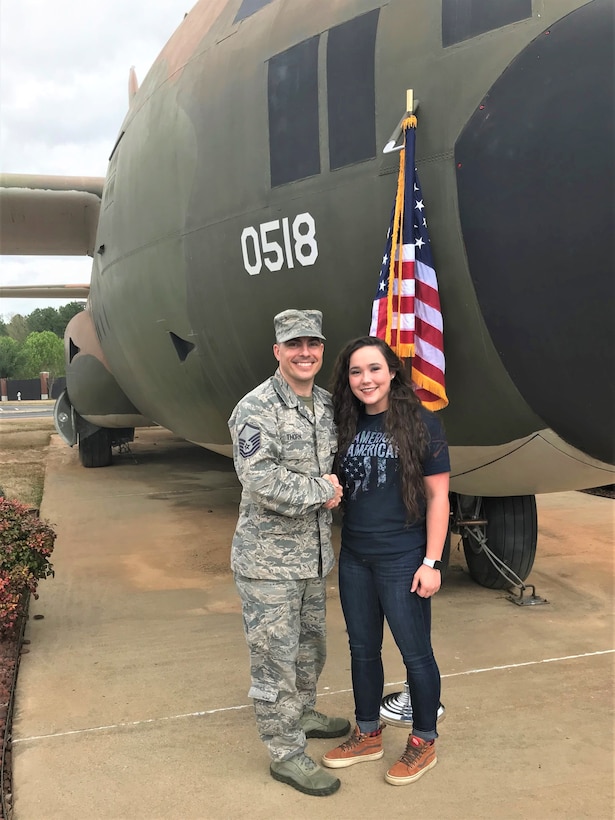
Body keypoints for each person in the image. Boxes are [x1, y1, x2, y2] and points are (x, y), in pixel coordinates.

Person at [228, 309, 350, 797]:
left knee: (309, 649)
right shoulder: (255, 408)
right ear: (277, 351)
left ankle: (301, 712)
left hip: (313, 559)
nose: (305, 352)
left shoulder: (324, 404)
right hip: (267, 565)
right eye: (294, 344)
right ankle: (285, 753)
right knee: (273, 661)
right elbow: (259, 480)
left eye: (313, 344)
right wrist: (322, 489)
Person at [321, 335, 450, 786]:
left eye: (374, 369)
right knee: (362, 649)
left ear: (392, 372)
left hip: (403, 557)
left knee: (416, 654)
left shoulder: (421, 423)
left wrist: (431, 562)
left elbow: (438, 497)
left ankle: (423, 741)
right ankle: (369, 733)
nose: (365, 379)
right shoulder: (345, 423)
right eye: (355, 372)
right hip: (356, 555)